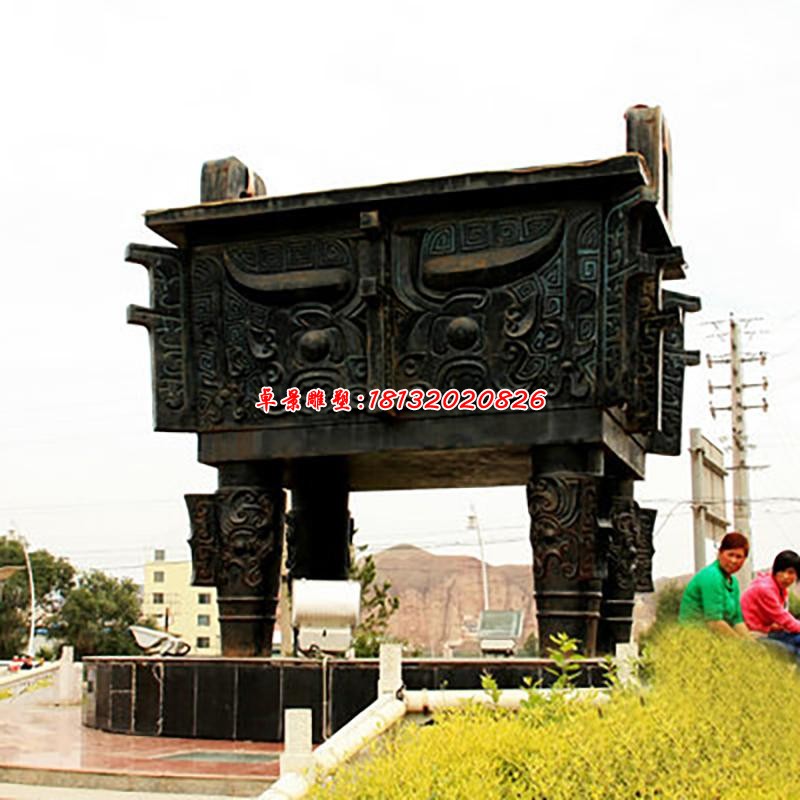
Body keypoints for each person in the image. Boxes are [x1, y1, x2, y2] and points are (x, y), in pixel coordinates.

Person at [678, 532, 751, 638]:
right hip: (696, 638)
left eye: (739, 557)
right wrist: (741, 645)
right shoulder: (711, 576)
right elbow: (714, 622)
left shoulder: (733, 582)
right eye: (730, 554)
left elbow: (737, 620)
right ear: (720, 553)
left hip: (717, 637)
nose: (733, 560)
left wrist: (751, 644)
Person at [741, 549, 800, 657]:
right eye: (782, 571)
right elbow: (784, 619)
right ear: (775, 570)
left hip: (767, 631)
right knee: (793, 651)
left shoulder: (780, 589)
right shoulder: (766, 589)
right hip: (753, 633)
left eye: (791, 572)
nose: (785, 576)